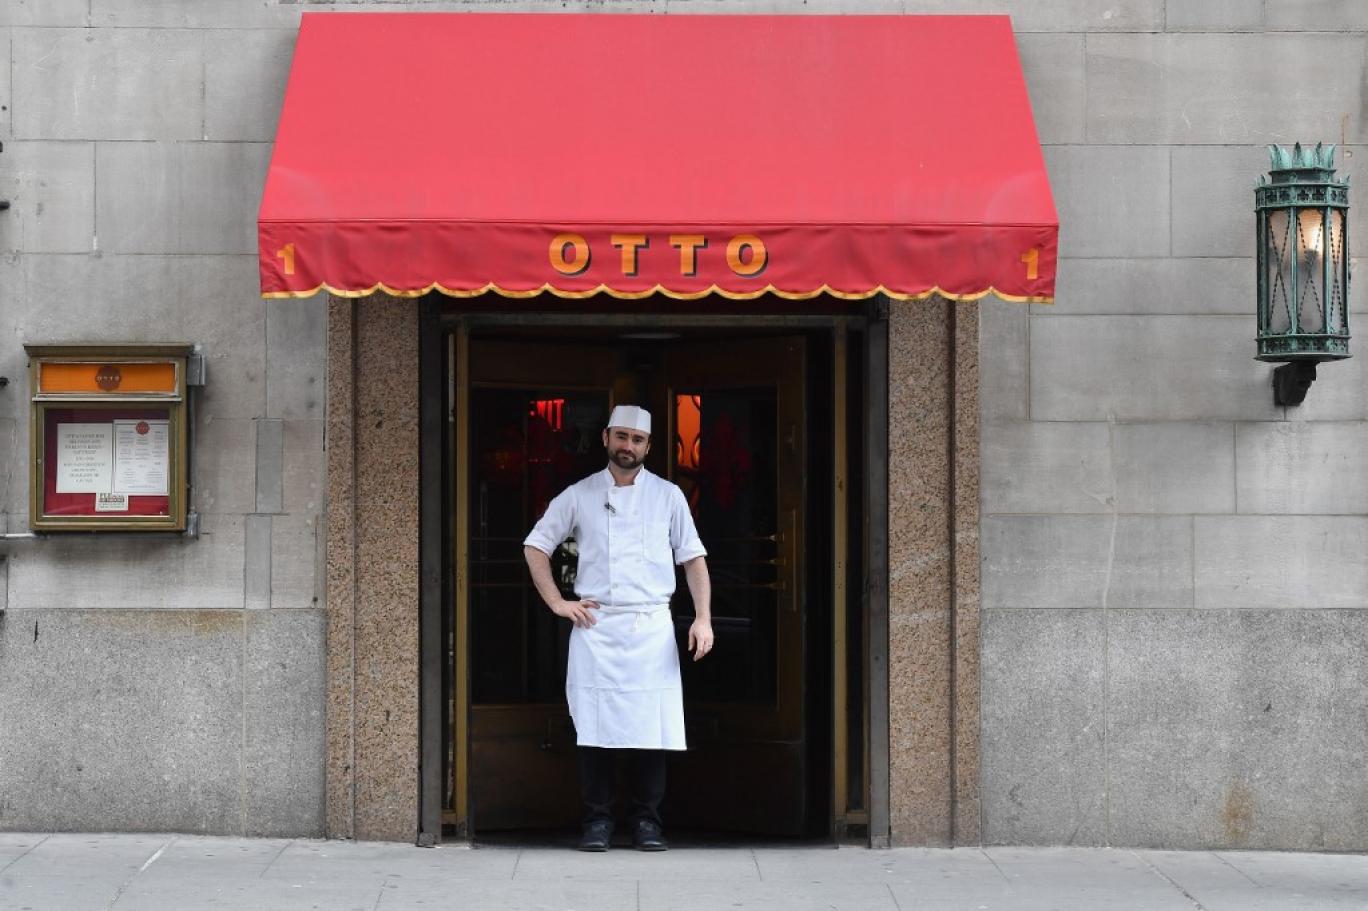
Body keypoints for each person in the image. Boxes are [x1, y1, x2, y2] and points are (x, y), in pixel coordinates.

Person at [523, 404, 714, 852]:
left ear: (648, 446)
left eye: (637, 439)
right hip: (597, 625)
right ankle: (597, 822)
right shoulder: (579, 494)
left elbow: (693, 558)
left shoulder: (668, 496)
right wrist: (558, 603)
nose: (628, 446)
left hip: (650, 628)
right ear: (606, 437)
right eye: (622, 436)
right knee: (595, 730)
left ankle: (648, 822)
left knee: (651, 731)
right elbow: (536, 545)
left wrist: (703, 617)